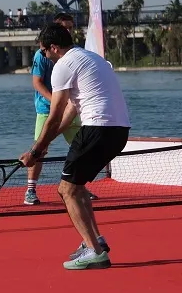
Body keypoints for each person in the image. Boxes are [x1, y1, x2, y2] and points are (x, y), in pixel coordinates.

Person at [20, 24, 131, 270]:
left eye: (44, 50)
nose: (43, 55)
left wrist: (35, 152)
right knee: (77, 187)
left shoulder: (62, 66)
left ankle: (95, 252)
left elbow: (54, 114)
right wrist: (43, 145)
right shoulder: (90, 58)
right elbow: (70, 112)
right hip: (119, 131)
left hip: (97, 129)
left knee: (66, 190)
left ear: (54, 48)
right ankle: (94, 240)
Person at [24, 12, 83, 205]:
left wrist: (69, 103)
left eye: (71, 27)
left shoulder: (73, 53)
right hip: (45, 109)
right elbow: (37, 83)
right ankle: (30, 191)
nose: (68, 30)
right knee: (39, 149)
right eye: (64, 27)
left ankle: (77, 187)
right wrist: (57, 101)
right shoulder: (42, 54)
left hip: (70, 108)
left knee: (81, 147)